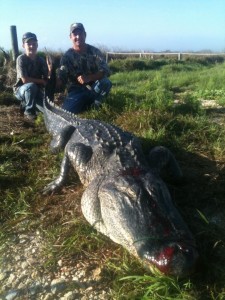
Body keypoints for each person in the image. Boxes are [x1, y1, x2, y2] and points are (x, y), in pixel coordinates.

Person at [56, 22, 112, 114]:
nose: (78, 37)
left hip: (94, 88)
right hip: (76, 91)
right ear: (70, 37)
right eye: (75, 34)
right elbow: (61, 79)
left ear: (85, 35)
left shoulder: (95, 52)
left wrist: (89, 77)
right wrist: (51, 76)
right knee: (66, 113)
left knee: (106, 82)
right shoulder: (66, 57)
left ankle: (96, 105)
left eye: (80, 33)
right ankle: (85, 104)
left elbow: (105, 70)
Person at [14, 32, 52, 121]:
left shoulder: (41, 60)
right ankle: (29, 111)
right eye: (28, 43)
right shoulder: (21, 59)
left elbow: (47, 80)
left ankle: (27, 104)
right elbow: (25, 80)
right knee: (31, 86)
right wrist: (41, 81)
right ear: (23, 45)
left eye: (34, 43)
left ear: (37, 44)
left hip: (37, 91)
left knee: (47, 111)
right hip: (22, 90)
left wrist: (50, 69)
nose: (32, 46)